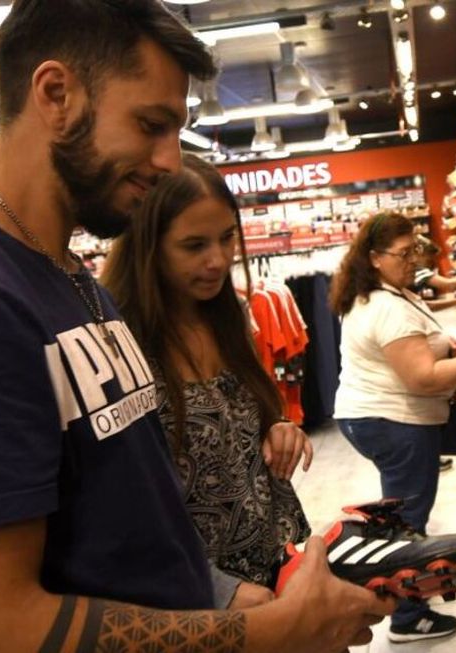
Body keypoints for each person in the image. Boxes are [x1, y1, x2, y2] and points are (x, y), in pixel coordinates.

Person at [0, 1, 392, 652]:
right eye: (151, 124)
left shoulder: (66, 277)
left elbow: (123, 532)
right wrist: (269, 633)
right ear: (56, 94)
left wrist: (219, 596)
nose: (169, 160)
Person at [101, 158, 313, 599]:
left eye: (227, 237)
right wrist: (220, 591)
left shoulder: (231, 316)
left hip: (276, 565)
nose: (218, 260)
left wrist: (277, 427)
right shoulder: (117, 344)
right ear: (149, 246)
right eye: (193, 245)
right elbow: (120, 506)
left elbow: (238, 422)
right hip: (190, 597)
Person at [330, 212, 456, 643]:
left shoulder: (375, 293)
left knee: (399, 513)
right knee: (408, 521)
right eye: (404, 253)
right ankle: (407, 617)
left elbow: (415, 328)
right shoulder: (385, 307)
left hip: (372, 416)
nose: (414, 260)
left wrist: (441, 334)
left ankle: (407, 596)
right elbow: (424, 378)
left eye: (415, 249)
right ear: (375, 257)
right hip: (395, 422)